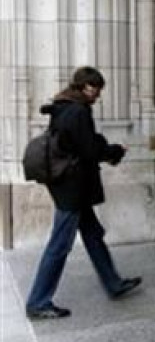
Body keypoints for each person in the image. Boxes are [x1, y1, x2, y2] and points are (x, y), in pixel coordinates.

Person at [25, 66, 142, 320]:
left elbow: (80, 143)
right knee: (59, 245)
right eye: (95, 88)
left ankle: (113, 283)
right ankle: (38, 301)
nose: (98, 94)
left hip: (71, 186)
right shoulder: (77, 111)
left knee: (92, 235)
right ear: (84, 87)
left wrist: (105, 148)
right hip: (72, 189)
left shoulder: (64, 105)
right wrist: (115, 151)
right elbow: (89, 150)